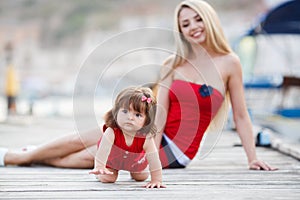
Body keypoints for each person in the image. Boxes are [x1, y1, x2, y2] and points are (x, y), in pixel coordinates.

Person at [0, 0, 276, 171]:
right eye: (185, 24)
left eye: (198, 19)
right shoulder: (174, 63)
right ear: (180, 30)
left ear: (210, 19)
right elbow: (160, 114)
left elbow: (241, 115)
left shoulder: (230, 62)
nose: (193, 27)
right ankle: (18, 156)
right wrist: (148, 147)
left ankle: (21, 156)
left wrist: (251, 158)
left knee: (91, 155)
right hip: (150, 137)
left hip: (178, 151)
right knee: (84, 138)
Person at [88, 87, 164, 188]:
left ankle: (135, 172)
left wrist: (156, 180)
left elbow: (154, 159)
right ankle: (100, 175)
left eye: (137, 115)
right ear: (116, 112)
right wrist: (100, 166)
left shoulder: (146, 138)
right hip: (113, 161)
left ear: (146, 121)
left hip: (134, 162)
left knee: (142, 176)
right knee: (108, 178)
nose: (130, 117)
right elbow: (102, 152)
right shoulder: (111, 132)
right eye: (125, 111)